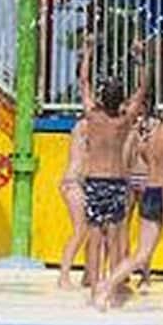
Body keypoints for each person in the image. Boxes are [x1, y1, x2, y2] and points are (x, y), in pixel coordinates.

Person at [94, 104, 163, 312]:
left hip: (149, 194)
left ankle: (105, 286)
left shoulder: (150, 138)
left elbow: (147, 160)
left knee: (141, 254)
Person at [78, 39, 148, 303]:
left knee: (95, 236)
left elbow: (83, 83)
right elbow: (143, 89)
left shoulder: (92, 117)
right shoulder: (124, 120)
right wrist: (139, 58)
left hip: (94, 182)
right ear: (121, 99)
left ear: (101, 97)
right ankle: (114, 289)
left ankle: (95, 289)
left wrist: (88, 52)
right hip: (117, 182)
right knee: (117, 237)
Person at [56, 114, 93, 291]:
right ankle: (63, 276)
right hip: (74, 183)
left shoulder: (85, 125)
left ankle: (89, 274)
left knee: (91, 231)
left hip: (79, 183)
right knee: (80, 231)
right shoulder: (84, 125)